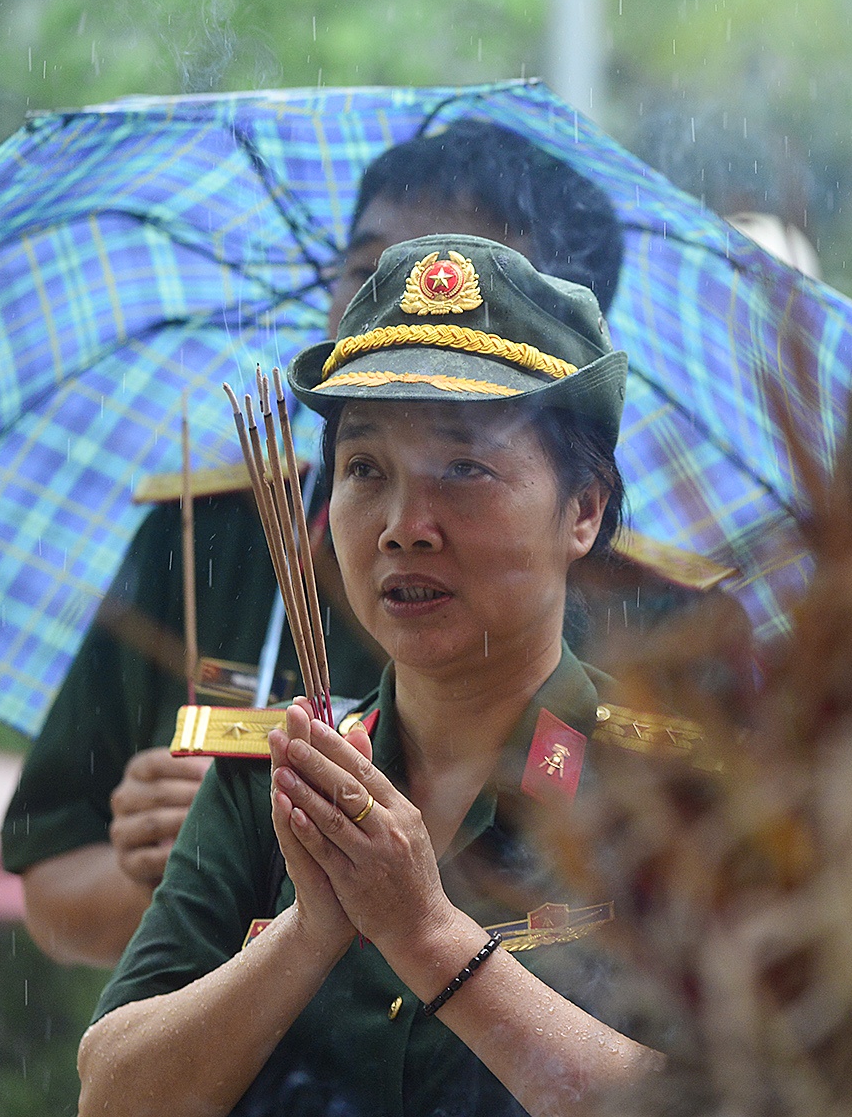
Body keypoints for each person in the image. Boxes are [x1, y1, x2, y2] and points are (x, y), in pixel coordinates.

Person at [1, 122, 630, 967]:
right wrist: (206, 866)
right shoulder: (199, 543)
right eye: (370, 269)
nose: (399, 303)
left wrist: (412, 918)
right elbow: (57, 897)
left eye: (466, 468)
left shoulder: (639, 616)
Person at [79, 234, 674, 1116]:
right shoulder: (278, 779)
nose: (404, 525)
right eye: (365, 468)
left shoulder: (676, 799)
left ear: (583, 510)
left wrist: (425, 934)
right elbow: (115, 1093)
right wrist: (308, 934)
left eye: (465, 467)